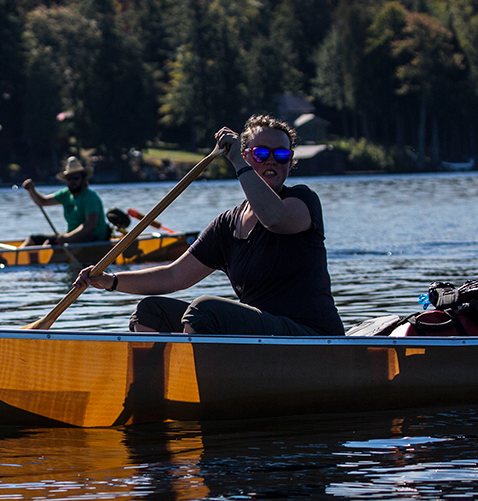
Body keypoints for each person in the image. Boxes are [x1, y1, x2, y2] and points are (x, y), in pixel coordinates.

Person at [74, 114, 344, 336]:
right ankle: (154, 388)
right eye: (261, 153)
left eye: (281, 154)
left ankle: (196, 387)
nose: (272, 160)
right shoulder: (226, 225)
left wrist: (237, 161)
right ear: (250, 157)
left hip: (310, 334)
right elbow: (173, 276)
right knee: (149, 311)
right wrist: (110, 281)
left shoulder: (301, 201)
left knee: (205, 310)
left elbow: (274, 219)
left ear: (290, 161)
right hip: (262, 336)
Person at [21, 156, 110, 245]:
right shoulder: (65, 194)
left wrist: (68, 238)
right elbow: (42, 202)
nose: (72, 181)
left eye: (75, 177)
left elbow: (90, 225)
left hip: (94, 239)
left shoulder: (90, 197)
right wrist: (31, 190)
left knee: (54, 247)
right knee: (33, 240)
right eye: (69, 178)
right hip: (72, 235)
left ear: (83, 179)